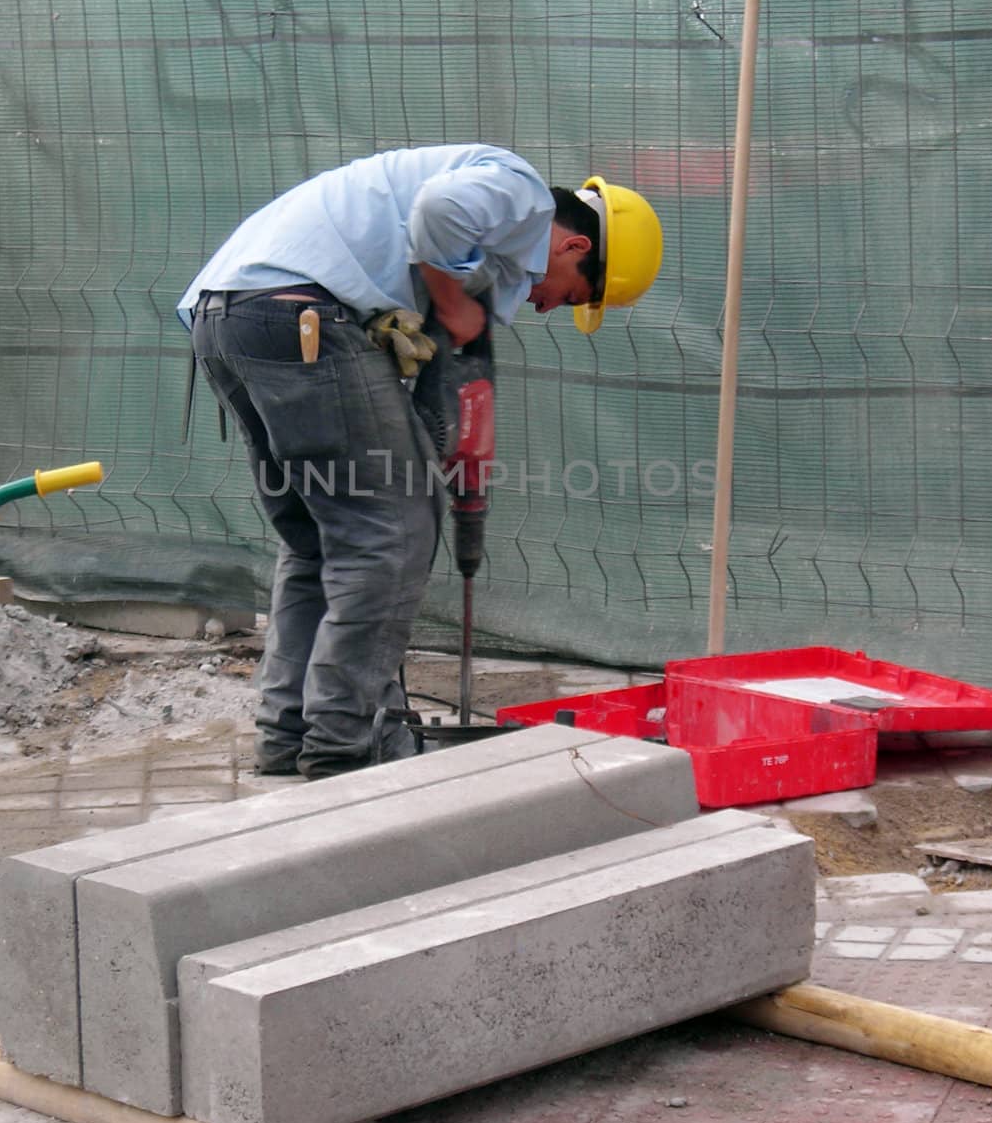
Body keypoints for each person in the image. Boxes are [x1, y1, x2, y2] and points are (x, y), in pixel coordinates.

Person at [178, 143, 662, 780]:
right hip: (298, 315)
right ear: (575, 249)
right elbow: (439, 211)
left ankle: (290, 736)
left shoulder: (480, 236)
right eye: (574, 298)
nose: (549, 309)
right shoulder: (522, 190)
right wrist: (452, 299)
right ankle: (348, 745)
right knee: (391, 535)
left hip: (230, 319)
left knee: (319, 540)